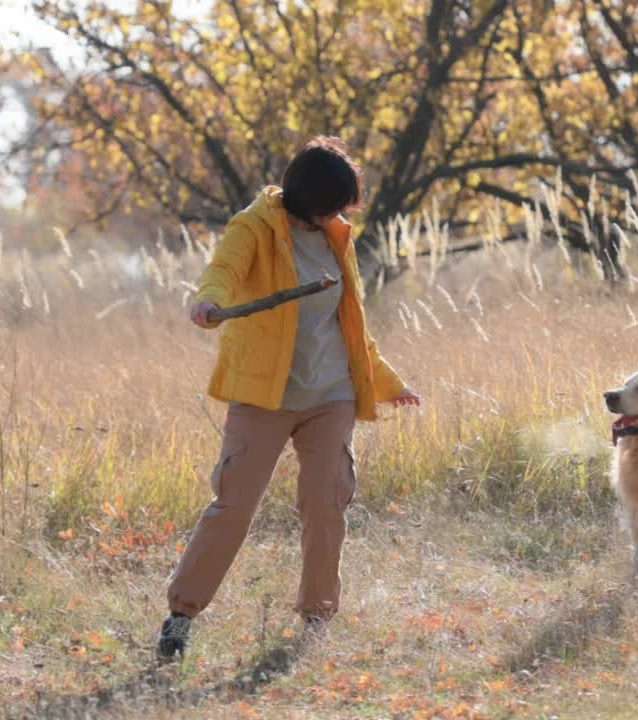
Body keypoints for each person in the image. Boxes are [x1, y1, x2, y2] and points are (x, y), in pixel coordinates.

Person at [155, 136, 420, 661]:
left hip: (332, 396)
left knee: (326, 501)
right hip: (263, 395)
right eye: (332, 204)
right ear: (308, 197)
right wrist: (208, 302)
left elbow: (351, 327)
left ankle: (317, 618)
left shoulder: (337, 237)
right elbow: (224, 272)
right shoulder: (253, 227)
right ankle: (181, 615)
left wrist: (389, 382)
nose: (338, 214)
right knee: (234, 503)